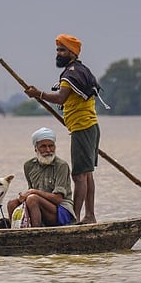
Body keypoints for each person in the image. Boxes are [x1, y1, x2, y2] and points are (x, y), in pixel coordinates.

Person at [23, 33, 101, 223]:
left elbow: (61, 98)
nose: (59, 53)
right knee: (87, 173)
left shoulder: (72, 73)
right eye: (58, 50)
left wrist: (38, 94)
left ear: (72, 53)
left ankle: (75, 218)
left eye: (63, 50)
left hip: (83, 128)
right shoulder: (79, 70)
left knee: (79, 175)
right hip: (88, 127)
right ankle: (89, 215)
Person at [5, 127, 76, 227]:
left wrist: (34, 192)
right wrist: (24, 196)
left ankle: (36, 231)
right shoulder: (29, 165)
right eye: (43, 146)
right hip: (38, 206)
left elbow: (58, 199)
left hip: (61, 210)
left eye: (51, 146)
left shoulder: (61, 166)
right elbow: (30, 189)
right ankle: (15, 233)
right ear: (36, 148)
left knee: (32, 198)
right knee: (12, 203)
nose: (48, 150)